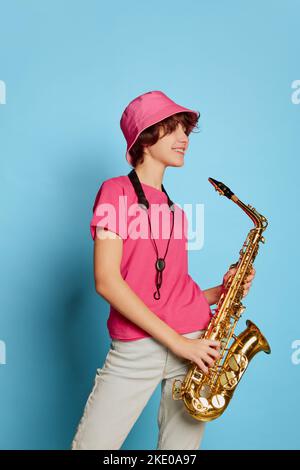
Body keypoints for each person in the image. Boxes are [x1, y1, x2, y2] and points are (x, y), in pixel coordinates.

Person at [71, 90, 255, 450]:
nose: (184, 139)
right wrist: (179, 344)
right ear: (145, 136)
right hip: (144, 347)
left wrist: (222, 292)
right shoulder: (115, 192)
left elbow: (168, 294)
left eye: (185, 130)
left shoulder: (176, 213)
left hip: (194, 341)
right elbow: (107, 282)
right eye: (173, 129)